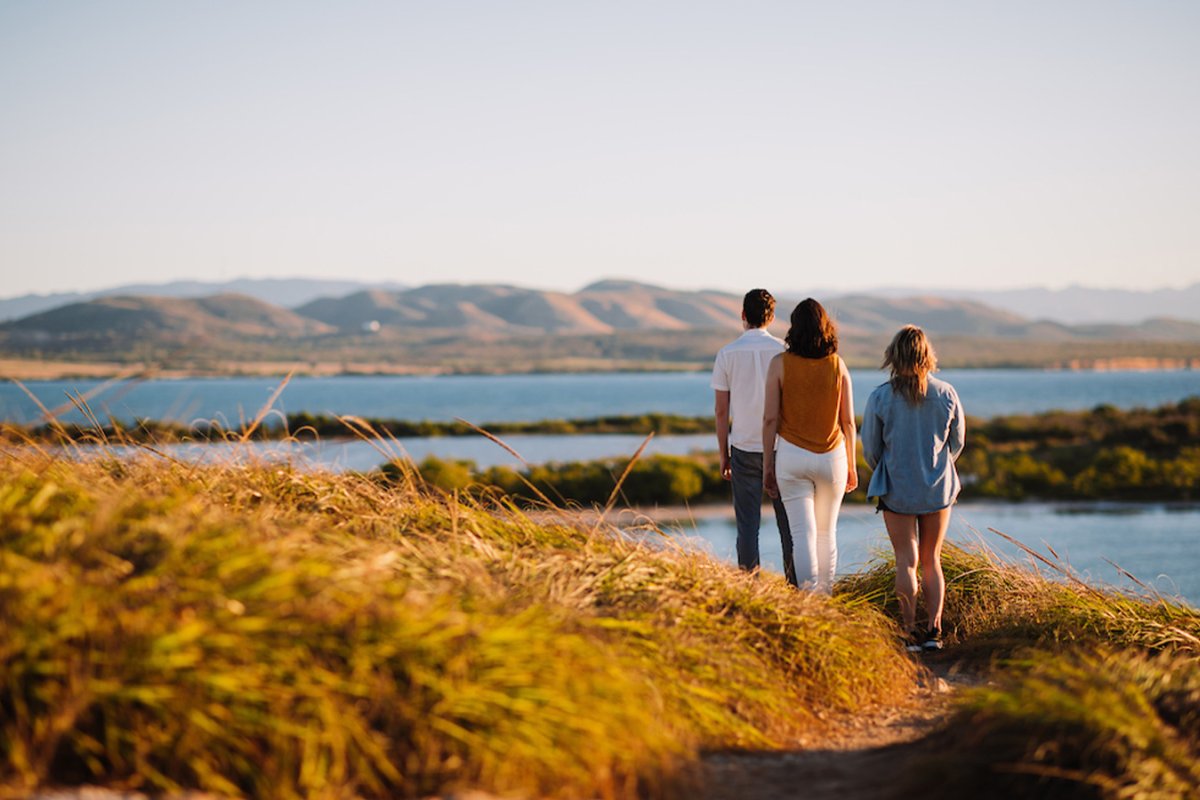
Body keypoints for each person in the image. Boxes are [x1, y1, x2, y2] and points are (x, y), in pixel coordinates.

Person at [861, 325, 965, 652]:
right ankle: (934, 632)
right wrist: (938, 465)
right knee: (931, 559)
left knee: (905, 560)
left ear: (893, 355)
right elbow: (958, 442)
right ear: (926, 355)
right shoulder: (946, 392)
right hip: (938, 490)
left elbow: (870, 450)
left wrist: (890, 466)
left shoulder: (879, 396)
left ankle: (908, 632)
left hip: (896, 488)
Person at [762, 298, 857, 594]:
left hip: (791, 456)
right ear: (826, 327)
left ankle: (808, 599)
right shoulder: (837, 364)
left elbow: (769, 419)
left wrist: (767, 465)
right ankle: (825, 597)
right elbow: (849, 422)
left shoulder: (779, 364)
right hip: (832, 458)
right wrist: (853, 465)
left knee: (802, 533)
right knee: (827, 533)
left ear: (794, 329)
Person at [712, 289, 796, 584]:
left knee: (747, 527)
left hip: (743, 450)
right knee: (789, 527)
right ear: (771, 318)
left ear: (743, 316)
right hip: (781, 448)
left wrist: (724, 454)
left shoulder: (727, 354)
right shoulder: (785, 352)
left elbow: (722, 413)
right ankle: (796, 590)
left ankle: (750, 587)